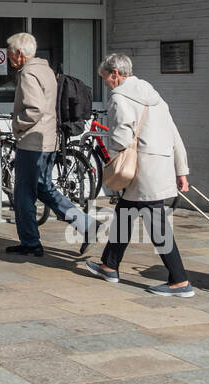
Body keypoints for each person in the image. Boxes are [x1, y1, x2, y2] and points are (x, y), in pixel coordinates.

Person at [82, 52, 195, 296]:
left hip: (141, 168)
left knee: (156, 224)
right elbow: (174, 134)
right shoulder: (154, 96)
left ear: (115, 74)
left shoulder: (120, 97)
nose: (106, 83)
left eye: (105, 78)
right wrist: (181, 170)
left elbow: (121, 136)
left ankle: (180, 281)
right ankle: (109, 266)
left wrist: (113, 153)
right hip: (159, 165)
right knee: (125, 212)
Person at [4, 32, 98, 257]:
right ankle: (87, 225)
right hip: (48, 140)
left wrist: (16, 125)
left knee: (24, 193)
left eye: (10, 54)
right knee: (44, 188)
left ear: (19, 54)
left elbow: (34, 109)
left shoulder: (28, 73)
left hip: (32, 142)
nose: (9, 58)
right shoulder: (46, 70)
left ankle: (30, 243)